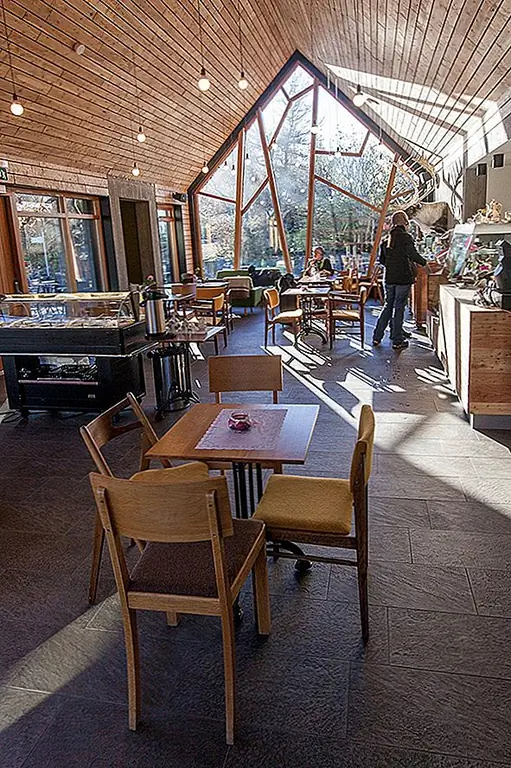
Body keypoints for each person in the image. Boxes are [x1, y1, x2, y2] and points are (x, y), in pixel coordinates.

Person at [372, 210, 428, 350]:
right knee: (399, 308)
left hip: (389, 278)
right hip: (403, 278)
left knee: (388, 306)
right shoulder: (406, 238)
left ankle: (377, 336)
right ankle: (397, 339)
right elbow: (413, 254)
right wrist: (425, 263)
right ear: (405, 222)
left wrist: (393, 264)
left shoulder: (386, 239)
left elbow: (382, 260)